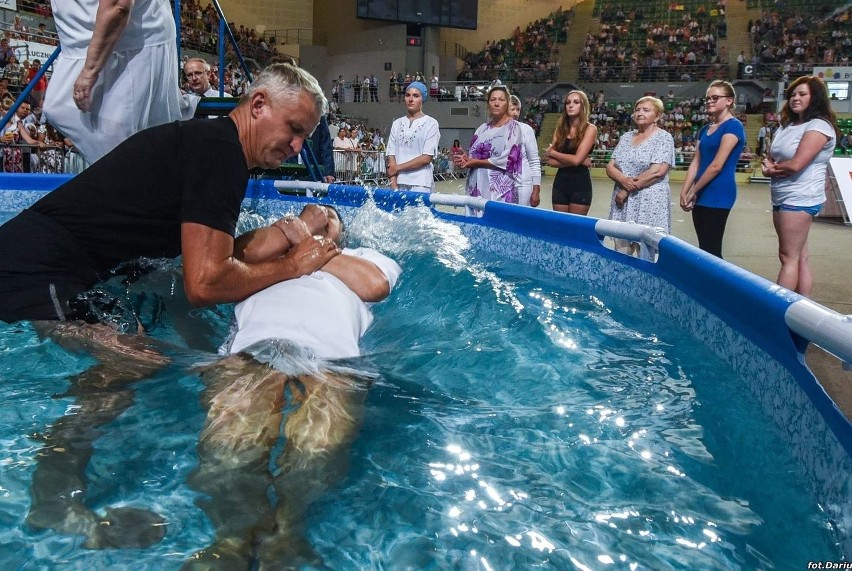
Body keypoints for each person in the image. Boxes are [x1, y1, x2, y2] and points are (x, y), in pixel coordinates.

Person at [0, 63, 338, 325]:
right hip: (35, 268)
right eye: (294, 129)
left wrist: (292, 229)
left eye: (304, 137)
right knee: (131, 365)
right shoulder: (220, 152)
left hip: (37, 259)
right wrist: (293, 265)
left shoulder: (212, 144)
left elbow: (219, 257)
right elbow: (205, 283)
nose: (297, 147)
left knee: (137, 361)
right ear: (259, 104)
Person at [187, 204, 401, 566]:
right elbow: (221, 263)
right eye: (309, 212)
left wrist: (307, 245)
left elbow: (375, 285)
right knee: (230, 442)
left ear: (342, 233)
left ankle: (288, 529)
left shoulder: (360, 256)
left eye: (328, 215)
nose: (319, 213)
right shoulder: (264, 257)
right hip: (250, 353)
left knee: (318, 443)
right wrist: (290, 243)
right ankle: (232, 539)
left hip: (332, 360)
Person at [44, 0, 194, 164]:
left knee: (117, 135)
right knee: (56, 108)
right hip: (78, 39)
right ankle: (124, 175)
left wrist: (89, 72)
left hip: (132, 42)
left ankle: (128, 180)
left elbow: (118, 6)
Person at [761, 75, 838, 296]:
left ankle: (778, 311)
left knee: (788, 257)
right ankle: (804, 306)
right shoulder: (789, 125)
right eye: (793, 94)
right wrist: (769, 166)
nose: (795, 98)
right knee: (799, 255)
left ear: (815, 97)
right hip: (783, 195)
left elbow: (796, 164)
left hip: (800, 196)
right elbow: (769, 156)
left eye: (802, 94)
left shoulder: (819, 126)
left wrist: (771, 169)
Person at [679, 80, 745, 259]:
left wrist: (693, 190)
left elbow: (717, 165)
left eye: (715, 98)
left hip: (718, 193)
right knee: (704, 246)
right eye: (707, 98)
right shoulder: (705, 129)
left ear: (729, 101)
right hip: (700, 192)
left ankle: (717, 286)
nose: (709, 101)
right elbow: (696, 162)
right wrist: (684, 191)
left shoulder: (733, 126)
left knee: (712, 249)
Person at [606, 96, 675, 260]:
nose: (640, 113)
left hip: (650, 201)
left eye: (646, 110)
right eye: (637, 110)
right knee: (621, 249)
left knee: (647, 251)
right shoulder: (626, 137)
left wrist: (625, 189)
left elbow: (657, 171)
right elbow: (610, 166)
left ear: (657, 116)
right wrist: (623, 182)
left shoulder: (663, 138)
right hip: (623, 203)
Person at [454, 85, 523, 215]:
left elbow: (508, 160)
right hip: (477, 185)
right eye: (493, 100)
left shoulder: (514, 128)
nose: (496, 103)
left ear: (507, 103)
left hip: (501, 189)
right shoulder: (481, 129)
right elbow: (472, 157)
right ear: (488, 104)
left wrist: (475, 162)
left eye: (501, 100)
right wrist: (464, 158)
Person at [544, 90, 597, 215]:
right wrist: (579, 161)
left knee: (575, 227)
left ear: (583, 105)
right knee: (560, 226)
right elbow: (551, 162)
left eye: (576, 102)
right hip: (560, 184)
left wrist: (554, 153)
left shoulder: (590, 129)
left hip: (580, 184)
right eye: (568, 102)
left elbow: (575, 160)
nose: (571, 105)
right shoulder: (561, 128)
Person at [386, 81, 440, 193]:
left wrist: (398, 168)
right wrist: (394, 184)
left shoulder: (431, 123)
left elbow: (426, 158)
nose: (411, 99)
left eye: (415, 96)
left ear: (422, 99)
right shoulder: (397, 123)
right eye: (407, 95)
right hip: (399, 182)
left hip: (421, 182)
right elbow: (391, 155)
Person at [509, 94, 542, 207]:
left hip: (523, 184)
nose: (515, 113)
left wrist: (536, 189)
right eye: (512, 109)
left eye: (518, 109)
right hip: (501, 184)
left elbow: (534, 161)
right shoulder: (495, 130)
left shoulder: (526, 129)